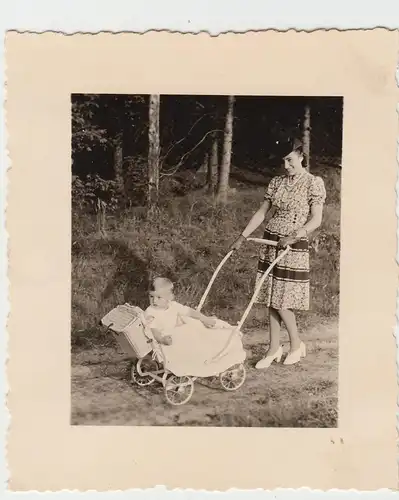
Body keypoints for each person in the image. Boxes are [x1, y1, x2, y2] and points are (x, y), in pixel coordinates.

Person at [230, 139, 326, 369]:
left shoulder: (313, 183)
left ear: (301, 157)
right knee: (270, 298)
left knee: (283, 300)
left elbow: (317, 219)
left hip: (292, 245)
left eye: (290, 160)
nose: (285, 165)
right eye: (283, 160)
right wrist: (242, 237)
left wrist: (295, 235)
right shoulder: (277, 182)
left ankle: (296, 345)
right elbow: (262, 213)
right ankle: (273, 348)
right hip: (271, 241)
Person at [143, 277, 246, 377]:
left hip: (179, 333)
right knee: (194, 341)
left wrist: (203, 318)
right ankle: (203, 360)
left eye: (159, 297)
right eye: (151, 296)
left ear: (169, 297)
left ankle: (221, 348)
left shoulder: (173, 305)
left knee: (200, 329)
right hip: (168, 339)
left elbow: (189, 312)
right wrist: (161, 339)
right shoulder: (151, 312)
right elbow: (154, 330)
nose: (154, 301)